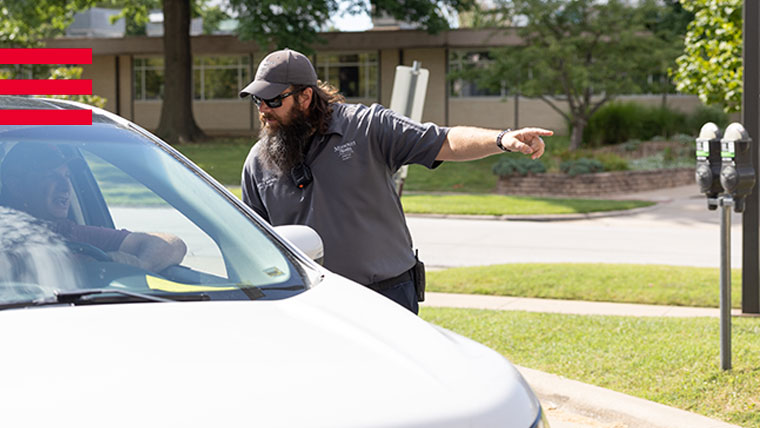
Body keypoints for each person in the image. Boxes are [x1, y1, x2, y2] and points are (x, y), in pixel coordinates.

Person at [239, 48, 552, 314]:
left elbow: (444, 141)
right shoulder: (257, 163)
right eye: (258, 102)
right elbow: (252, 243)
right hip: (315, 303)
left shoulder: (366, 127)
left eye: (273, 100)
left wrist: (501, 138)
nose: (264, 110)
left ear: (306, 96)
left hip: (388, 295)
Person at [0, 142, 187, 273]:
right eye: (51, 176)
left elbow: (172, 245)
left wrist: (141, 266)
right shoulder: (5, 236)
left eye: (66, 176)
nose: (65, 187)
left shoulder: (75, 233)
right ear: (15, 186)